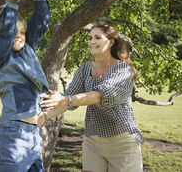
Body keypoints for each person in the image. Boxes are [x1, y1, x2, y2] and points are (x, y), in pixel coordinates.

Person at [40, 22, 143, 172]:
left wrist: (66, 99)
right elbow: (68, 101)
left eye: (97, 37)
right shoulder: (84, 69)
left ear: (111, 42)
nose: (92, 42)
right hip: (92, 141)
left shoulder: (123, 69)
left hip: (122, 142)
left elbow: (100, 95)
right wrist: (43, 117)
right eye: (90, 38)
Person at [0, 0, 50, 172]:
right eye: (14, 32)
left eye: (22, 32)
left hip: (34, 134)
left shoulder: (26, 51)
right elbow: (6, 32)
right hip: (14, 134)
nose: (19, 37)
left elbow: (41, 21)